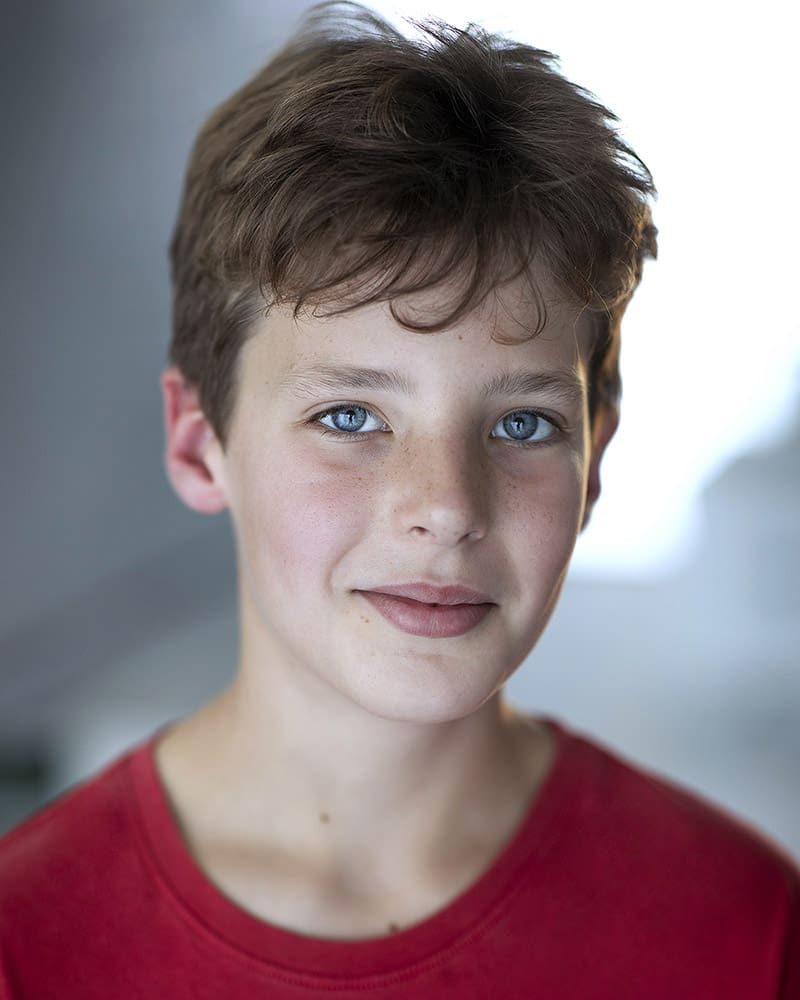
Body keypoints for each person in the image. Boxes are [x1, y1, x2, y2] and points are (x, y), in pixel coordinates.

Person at [1, 2, 797, 996]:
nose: (444, 505)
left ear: (592, 463)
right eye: (348, 416)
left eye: (520, 425)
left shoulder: (743, 931)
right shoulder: (27, 940)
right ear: (199, 442)